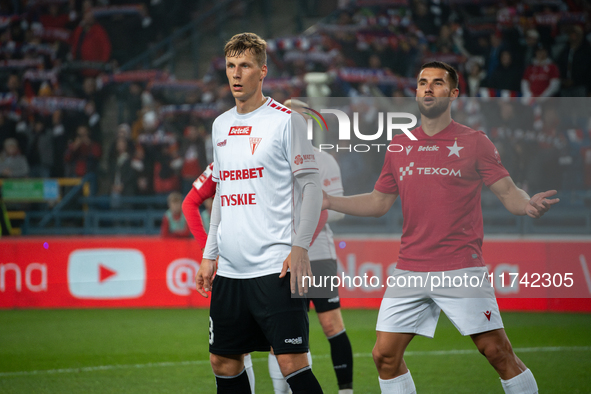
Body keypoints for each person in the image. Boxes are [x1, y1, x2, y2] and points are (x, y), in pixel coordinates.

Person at [322, 61, 559, 394]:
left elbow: (508, 192)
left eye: (437, 82)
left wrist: (527, 204)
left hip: (460, 266)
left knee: (497, 352)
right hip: (410, 269)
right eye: (422, 82)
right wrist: (330, 201)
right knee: (384, 356)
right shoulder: (399, 146)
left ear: (454, 93)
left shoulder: (475, 142)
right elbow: (378, 202)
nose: (428, 88)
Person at [195, 32, 324, 394]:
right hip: (231, 273)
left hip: (275, 267)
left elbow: (312, 187)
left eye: (245, 66)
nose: (236, 74)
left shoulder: (285, 121)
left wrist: (300, 247)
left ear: (262, 71)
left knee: (291, 364)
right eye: (230, 66)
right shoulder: (220, 125)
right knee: (223, 361)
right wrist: (210, 255)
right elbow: (222, 190)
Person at [265, 99, 353, 394]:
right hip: (280, 255)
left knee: (331, 325)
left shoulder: (324, 159)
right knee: (282, 332)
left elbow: (336, 209)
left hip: (318, 255)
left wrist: (301, 243)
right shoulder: (270, 157)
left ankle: (345, 390)